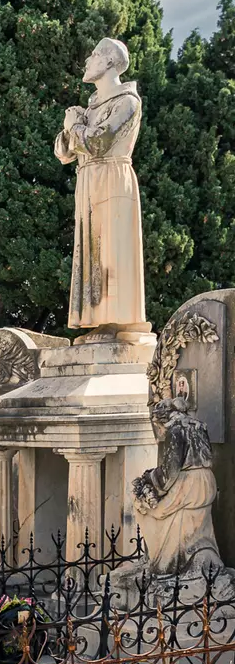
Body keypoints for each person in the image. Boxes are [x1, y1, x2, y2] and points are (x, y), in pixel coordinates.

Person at [55, 36, 149, 338]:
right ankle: (98, 318)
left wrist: (74, 125)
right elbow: (65, 153)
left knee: (113, 249)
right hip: (89, 181)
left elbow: (97, 143)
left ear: (109, 61)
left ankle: (119, 320)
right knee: (93, 251)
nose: (87, 61)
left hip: (112, 178)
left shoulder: (127, 102)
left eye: (94, 55)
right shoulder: (92, 107)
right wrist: (75, 126)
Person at [132, 398, 222, 576]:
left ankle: (168, 563)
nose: (161, 431)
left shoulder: (176, 429)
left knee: (160, 513)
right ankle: (195, 561)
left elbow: (171, 471)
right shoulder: (198, 426)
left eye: (159, 426)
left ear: (163, 418)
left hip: (188, 484)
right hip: (206, 479)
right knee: (196, 524)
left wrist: (151, 480)